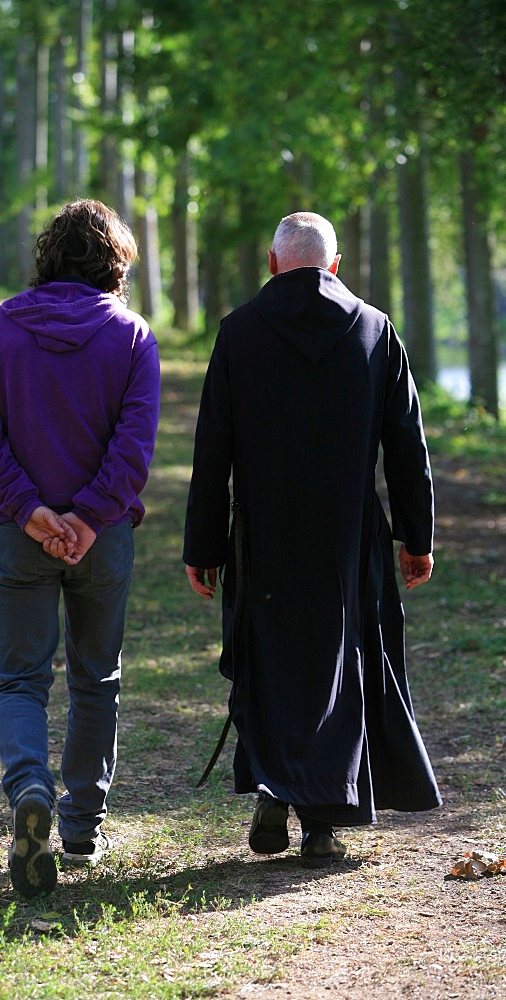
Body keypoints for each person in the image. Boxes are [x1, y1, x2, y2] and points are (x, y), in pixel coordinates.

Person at [183, 211, 441, 865]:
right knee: (342, 662)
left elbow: (213, 449)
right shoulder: (376, 331)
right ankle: (323, 822)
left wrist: (204, 546)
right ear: (335, 265)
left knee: (269, 658)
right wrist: (417, 537)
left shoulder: (239, 334)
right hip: (349, 538)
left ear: (273, 264)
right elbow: (407, 445)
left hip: (262, 536)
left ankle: (274, 790)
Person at [0, 199, 160, 897]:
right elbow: (133, 451)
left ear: (47, 256)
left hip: (19, 534)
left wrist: (35, 512)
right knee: (95, 678)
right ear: (115, 265)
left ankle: (28, 794)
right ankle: (80, 826)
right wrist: (84, 518)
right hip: (100, 541)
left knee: (20, 680)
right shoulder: (132, 337)